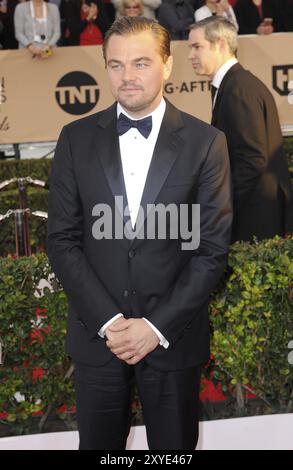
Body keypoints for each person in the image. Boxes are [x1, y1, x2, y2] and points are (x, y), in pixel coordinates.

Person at [48, 16, 232, 450]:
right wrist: (111, 323)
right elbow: (62, 239)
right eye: (116, 65)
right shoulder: (74, 139)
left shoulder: (206, 143)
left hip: (172, 338)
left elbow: (210, 250)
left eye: (141, 63)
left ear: (168, 66)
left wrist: (154, 326)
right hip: (98, 340)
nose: (127, 77)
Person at [188, 17, 293, 242]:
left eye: (197, 47)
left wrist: (221, 207)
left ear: (221, 45)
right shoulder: (234, 84)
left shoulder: (238, 89)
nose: (190, 55)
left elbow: (253, 159)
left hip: (257, 215)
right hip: (256, 210)